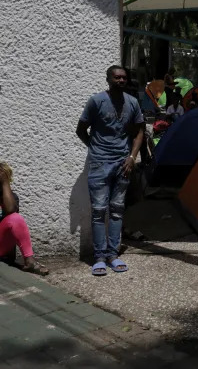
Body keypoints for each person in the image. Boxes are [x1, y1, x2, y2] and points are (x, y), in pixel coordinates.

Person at [76, 65, 144, 276]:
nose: (121, 81)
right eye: (116, 77)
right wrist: (96, 150)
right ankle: (99, 257)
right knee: (98, 211)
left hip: (123, 164)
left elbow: (140, 130)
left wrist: (132, 157)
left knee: (116, 209)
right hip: (99, 164)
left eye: (124, 78)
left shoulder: (132, 103)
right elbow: (81, 129)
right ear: (108, 79)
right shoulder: (96, 101)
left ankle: (113, 255)